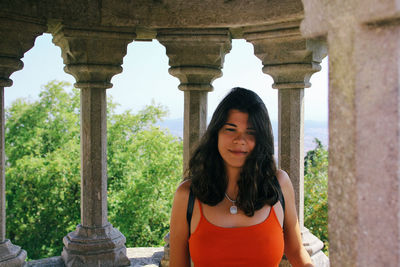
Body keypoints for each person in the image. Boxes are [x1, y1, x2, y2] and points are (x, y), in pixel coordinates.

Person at [169, 87, 314, 267]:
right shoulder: (187, 195)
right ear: (216, 134)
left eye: (251, 132)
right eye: (231, 129)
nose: (240, 140)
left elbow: (296, 251)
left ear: (261, 139)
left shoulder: (278, 185)